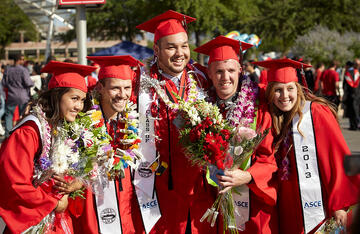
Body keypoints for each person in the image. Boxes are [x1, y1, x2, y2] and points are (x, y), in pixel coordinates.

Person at [254, 58, 360, 234]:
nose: (284, 95)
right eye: (278, 90)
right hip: (288, 204)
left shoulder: (316, 113)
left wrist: (340, 204)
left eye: (290, 88)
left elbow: (336, 156)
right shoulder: (275, 119)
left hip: (320, 203)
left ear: (298, 88)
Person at [135, 10, 216, 233]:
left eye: (184, 46)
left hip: (200, 187)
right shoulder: (139, 83)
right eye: (171, 47)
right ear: (156, 50)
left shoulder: (201, 78)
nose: (180, 53)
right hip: (156, 185)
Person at [0, 60, 96, 233]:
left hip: (58, 222)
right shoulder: (29, 132)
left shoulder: (64, 126)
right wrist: (54, 203)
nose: (79, 106)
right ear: (56, 96)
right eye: (74, 98)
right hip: (33, 221)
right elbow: (14, 182)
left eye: (82, 100)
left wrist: (75, 184)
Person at [194, 36, 278, 234]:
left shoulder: (259, 106)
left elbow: (269, 156)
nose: (225, 77)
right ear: (210, 73)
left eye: (231, 70)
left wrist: (248, 176)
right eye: (219, 71)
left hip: (253, 201)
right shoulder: (200, 109)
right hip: (211, 202)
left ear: (240, 70)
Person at [72, 55, 145, 234]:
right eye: (115, 88)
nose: (123, 94)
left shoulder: (132, 119)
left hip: (127, 205)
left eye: (127, 87)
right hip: (93, 208)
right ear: (100, 88)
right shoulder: (83, 120)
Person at [1, 54, 34, 137]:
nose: (23, 61)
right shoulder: (24, 70)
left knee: (9, 115)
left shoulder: (8, 70)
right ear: (19, 60)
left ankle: (8, 135)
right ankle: (21, 134)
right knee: (23, 116)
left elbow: (4, 83)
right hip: (23, 96)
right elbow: (28, 83)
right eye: (22, 59)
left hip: (11, 96)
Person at [343, 61, 360, 130]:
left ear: (348, 66)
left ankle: (353, 125)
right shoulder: (357, 73)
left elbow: (345, 86)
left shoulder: (347, 74)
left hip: (350, 95)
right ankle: (357, 124)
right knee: (357, 110)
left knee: (351, 110)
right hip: (358, 94)